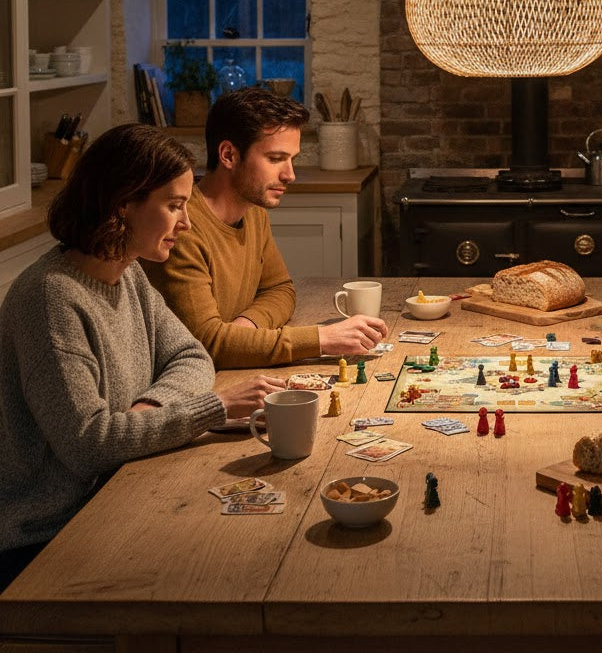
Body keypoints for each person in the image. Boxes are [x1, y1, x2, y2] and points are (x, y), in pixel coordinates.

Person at [0, 124, 284, 590]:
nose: (187, 223)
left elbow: (193, 357)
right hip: (45, 537)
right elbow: (89, 444)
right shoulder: (51, 297)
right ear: (122, 205)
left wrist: (150, 409)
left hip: (116, 492)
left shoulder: (126, 275)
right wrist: (215, 407)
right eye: (174, 206)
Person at [145, 87, 387, 368]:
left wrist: (246, 326)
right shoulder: (182, 229)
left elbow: (280, 289)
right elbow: (208, 345)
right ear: (228, 155)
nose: (290, 175)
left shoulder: (253, 211)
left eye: (292, 160)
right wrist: (322, 339)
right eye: (275, 159)